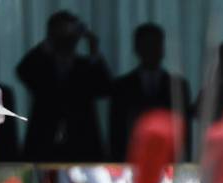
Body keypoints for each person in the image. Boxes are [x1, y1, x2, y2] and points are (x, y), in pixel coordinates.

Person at [14, 11, 110, 163]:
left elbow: (104, 88)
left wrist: (94, 51)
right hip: (43, 142)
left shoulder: (86, 66)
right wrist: (50, 41)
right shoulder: (41, 65)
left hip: (82, 142)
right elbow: (23, 71)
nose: (67, 36)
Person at [105, 23, 190, 162]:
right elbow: (116, 131)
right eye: (147, 45)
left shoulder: (178, 86)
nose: (152, 50)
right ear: (137, 48)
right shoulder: (122, 86)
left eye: (156, 44)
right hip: (131, 161)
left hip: (169, 161)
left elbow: (184, 131)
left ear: (163, 48)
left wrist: (183, 162)